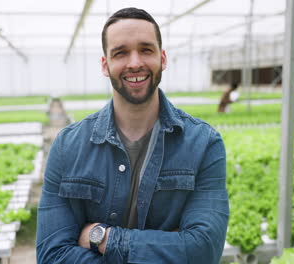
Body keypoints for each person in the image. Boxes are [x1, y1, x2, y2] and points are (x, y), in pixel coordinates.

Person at [36, 7, 229, 264]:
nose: (135, 62)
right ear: (106, 65)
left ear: (163, 58)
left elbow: (203, 252)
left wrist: (101, 238)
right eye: (121, 53)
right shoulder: (68, 146)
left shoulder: (204, 144)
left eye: (146, 50)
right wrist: (169, 247)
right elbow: (52, 256)